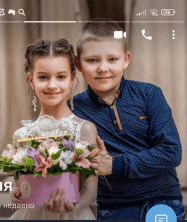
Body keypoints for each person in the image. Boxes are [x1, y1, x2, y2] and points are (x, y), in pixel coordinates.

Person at [68, 18, 185, 220]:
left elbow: (171, 152)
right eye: (92, 60)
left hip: (162, 200)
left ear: (126, 59)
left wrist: (115, 165)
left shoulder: (149, 94)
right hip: (114, 207)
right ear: (78, 63)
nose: (103, 68)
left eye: (112, 59)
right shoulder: (74, 108)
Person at [9, 39, 98, 220]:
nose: (52, 85)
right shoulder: (21, 135)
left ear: (72, 78)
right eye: (43, 77)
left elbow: (91, 188)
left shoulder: (85, 129)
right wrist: (15, 194)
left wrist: (73, 206)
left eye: (61, 77)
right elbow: (19, 184)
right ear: (31, 79)